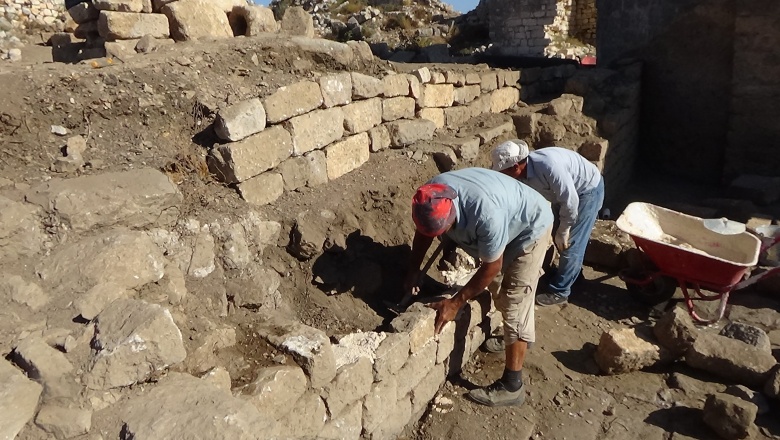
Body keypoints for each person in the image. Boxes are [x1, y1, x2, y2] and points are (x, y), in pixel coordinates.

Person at [404, 168, 553, 407]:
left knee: (515, 300)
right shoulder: (431, 194)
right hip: (506, 212)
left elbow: (492, 267)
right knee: (498, 293)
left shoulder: (486, 216)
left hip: (529, 229)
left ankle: (512, 386)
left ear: (452, 213)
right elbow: (423, 234)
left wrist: (455, 303)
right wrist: (413, 270)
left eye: (444, 230)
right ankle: (517, 338)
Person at [491, 140, 604, 307]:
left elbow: (570, 201)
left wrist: (564, 229)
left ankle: (560, 291)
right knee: (556, 234)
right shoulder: (521, 173)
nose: (502, 176)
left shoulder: (549, 167)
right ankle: (573, 277)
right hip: (560, 194)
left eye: (503, 172)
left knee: (571, 243)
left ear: (516, 167)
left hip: (586, 191)